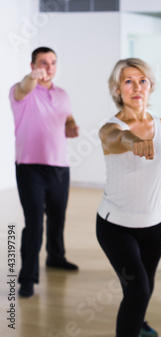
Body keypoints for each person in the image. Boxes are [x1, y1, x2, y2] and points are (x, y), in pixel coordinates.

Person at [96, 58, 161, 337]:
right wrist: (133, 141)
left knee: (147, 280)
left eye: (142, 81)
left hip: (158, 222)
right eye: (128, 81)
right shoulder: (110, 128)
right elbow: (116, 139)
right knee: (137, 289)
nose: (137, 87)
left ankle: (139, 322)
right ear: (116, 89)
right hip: (116, 226)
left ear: (151, 86)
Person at [9, 47, 80, 298]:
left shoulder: (63, 94)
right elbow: (25, 86)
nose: (48, 67)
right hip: (29, 167)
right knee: (35, 223)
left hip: (59, 166)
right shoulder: (22, 90)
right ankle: (27, 277)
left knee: (58, 217)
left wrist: (71, 127)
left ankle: (56, 257)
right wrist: (33, 77)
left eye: (52, 63)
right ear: (32, 66)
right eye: (42, 63)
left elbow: (67, 119)